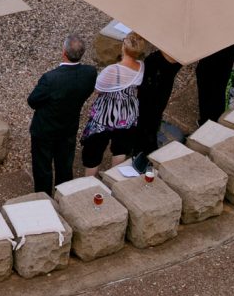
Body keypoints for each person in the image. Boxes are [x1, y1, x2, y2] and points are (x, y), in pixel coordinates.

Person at [27, 35, 98, 194]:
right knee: (65, 166)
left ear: (64, 52)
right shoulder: (90, 72)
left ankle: (44, 198)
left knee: (42, 167)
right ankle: (64, 196)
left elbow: (32, 101)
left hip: (45, 130)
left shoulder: (50, 78)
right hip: (69, 127)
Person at [81, 32, 147, 176]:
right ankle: (115, 178)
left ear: (124, 47)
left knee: (94, 150)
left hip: (106, 115)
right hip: (128, 113)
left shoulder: (112, 70)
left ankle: (89, 182)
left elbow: (98, 90)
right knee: (121, 148)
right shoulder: (141, 67)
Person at [132, 48, 182, 164]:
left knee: (144, 122)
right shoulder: (179, 58)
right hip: (161, 94)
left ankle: (141, 153)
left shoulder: (154, 60)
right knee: (153, 121)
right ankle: (147, 150)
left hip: (149, 95)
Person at [196, 43, 234, 125]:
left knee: (208, 77)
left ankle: (207, 123)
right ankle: (213, 121)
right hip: (229, 41)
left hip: (218, 43)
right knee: (219, 81)